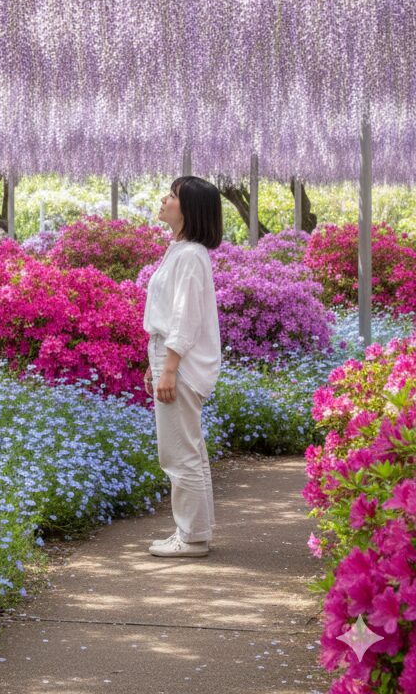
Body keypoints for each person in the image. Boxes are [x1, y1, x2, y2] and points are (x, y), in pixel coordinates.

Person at [142, 175, 223, 558]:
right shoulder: (179, 251)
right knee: (189, 449)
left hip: (180, 360)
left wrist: (169, 366)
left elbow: (184, 317)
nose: (164, 200)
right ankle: (195, 532)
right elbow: (166, 314)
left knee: (178, 453)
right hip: (168, 355)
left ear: (189, 209)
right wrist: (155, 363)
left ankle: (191, 538)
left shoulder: (190, 254)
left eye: (172, 196)